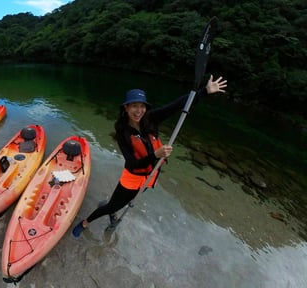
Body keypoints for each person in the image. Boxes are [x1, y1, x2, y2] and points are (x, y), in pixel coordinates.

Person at [72, 75, 227, 237]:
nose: (138, 111)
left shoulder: (151, 119)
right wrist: (155, 155)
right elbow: (132, 164)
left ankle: (112, 210)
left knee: (124, 204)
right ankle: (85, 222)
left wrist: (205, 91)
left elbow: (177, 105)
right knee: (111, 206)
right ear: (126, 107)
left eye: (142, 106)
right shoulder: (122, 131)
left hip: (149, 177)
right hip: (132, 177)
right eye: (134, 106)